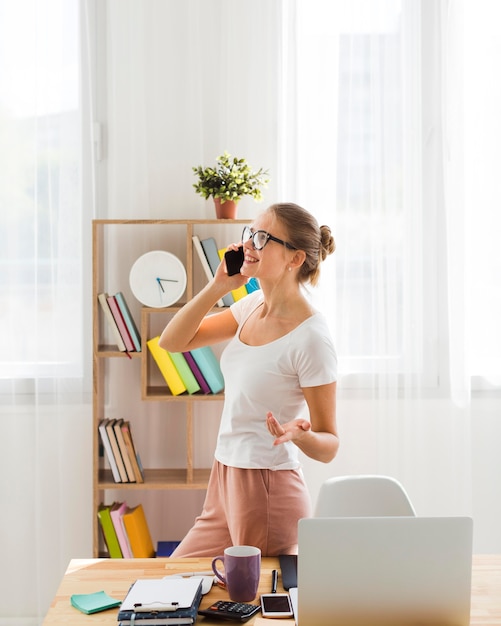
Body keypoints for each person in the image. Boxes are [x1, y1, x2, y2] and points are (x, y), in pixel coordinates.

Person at [159, 201, 339, 556]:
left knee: (253, 606)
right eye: (249, 234)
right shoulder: (250, 306)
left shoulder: (312, 337)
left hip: (267, 485)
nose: (248, 246)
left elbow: (330, 444)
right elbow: (172, 342)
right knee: (176, 576)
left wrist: (298, 435)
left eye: (262, 237)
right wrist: (217, 288)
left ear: (295, 258)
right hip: (225, 474)